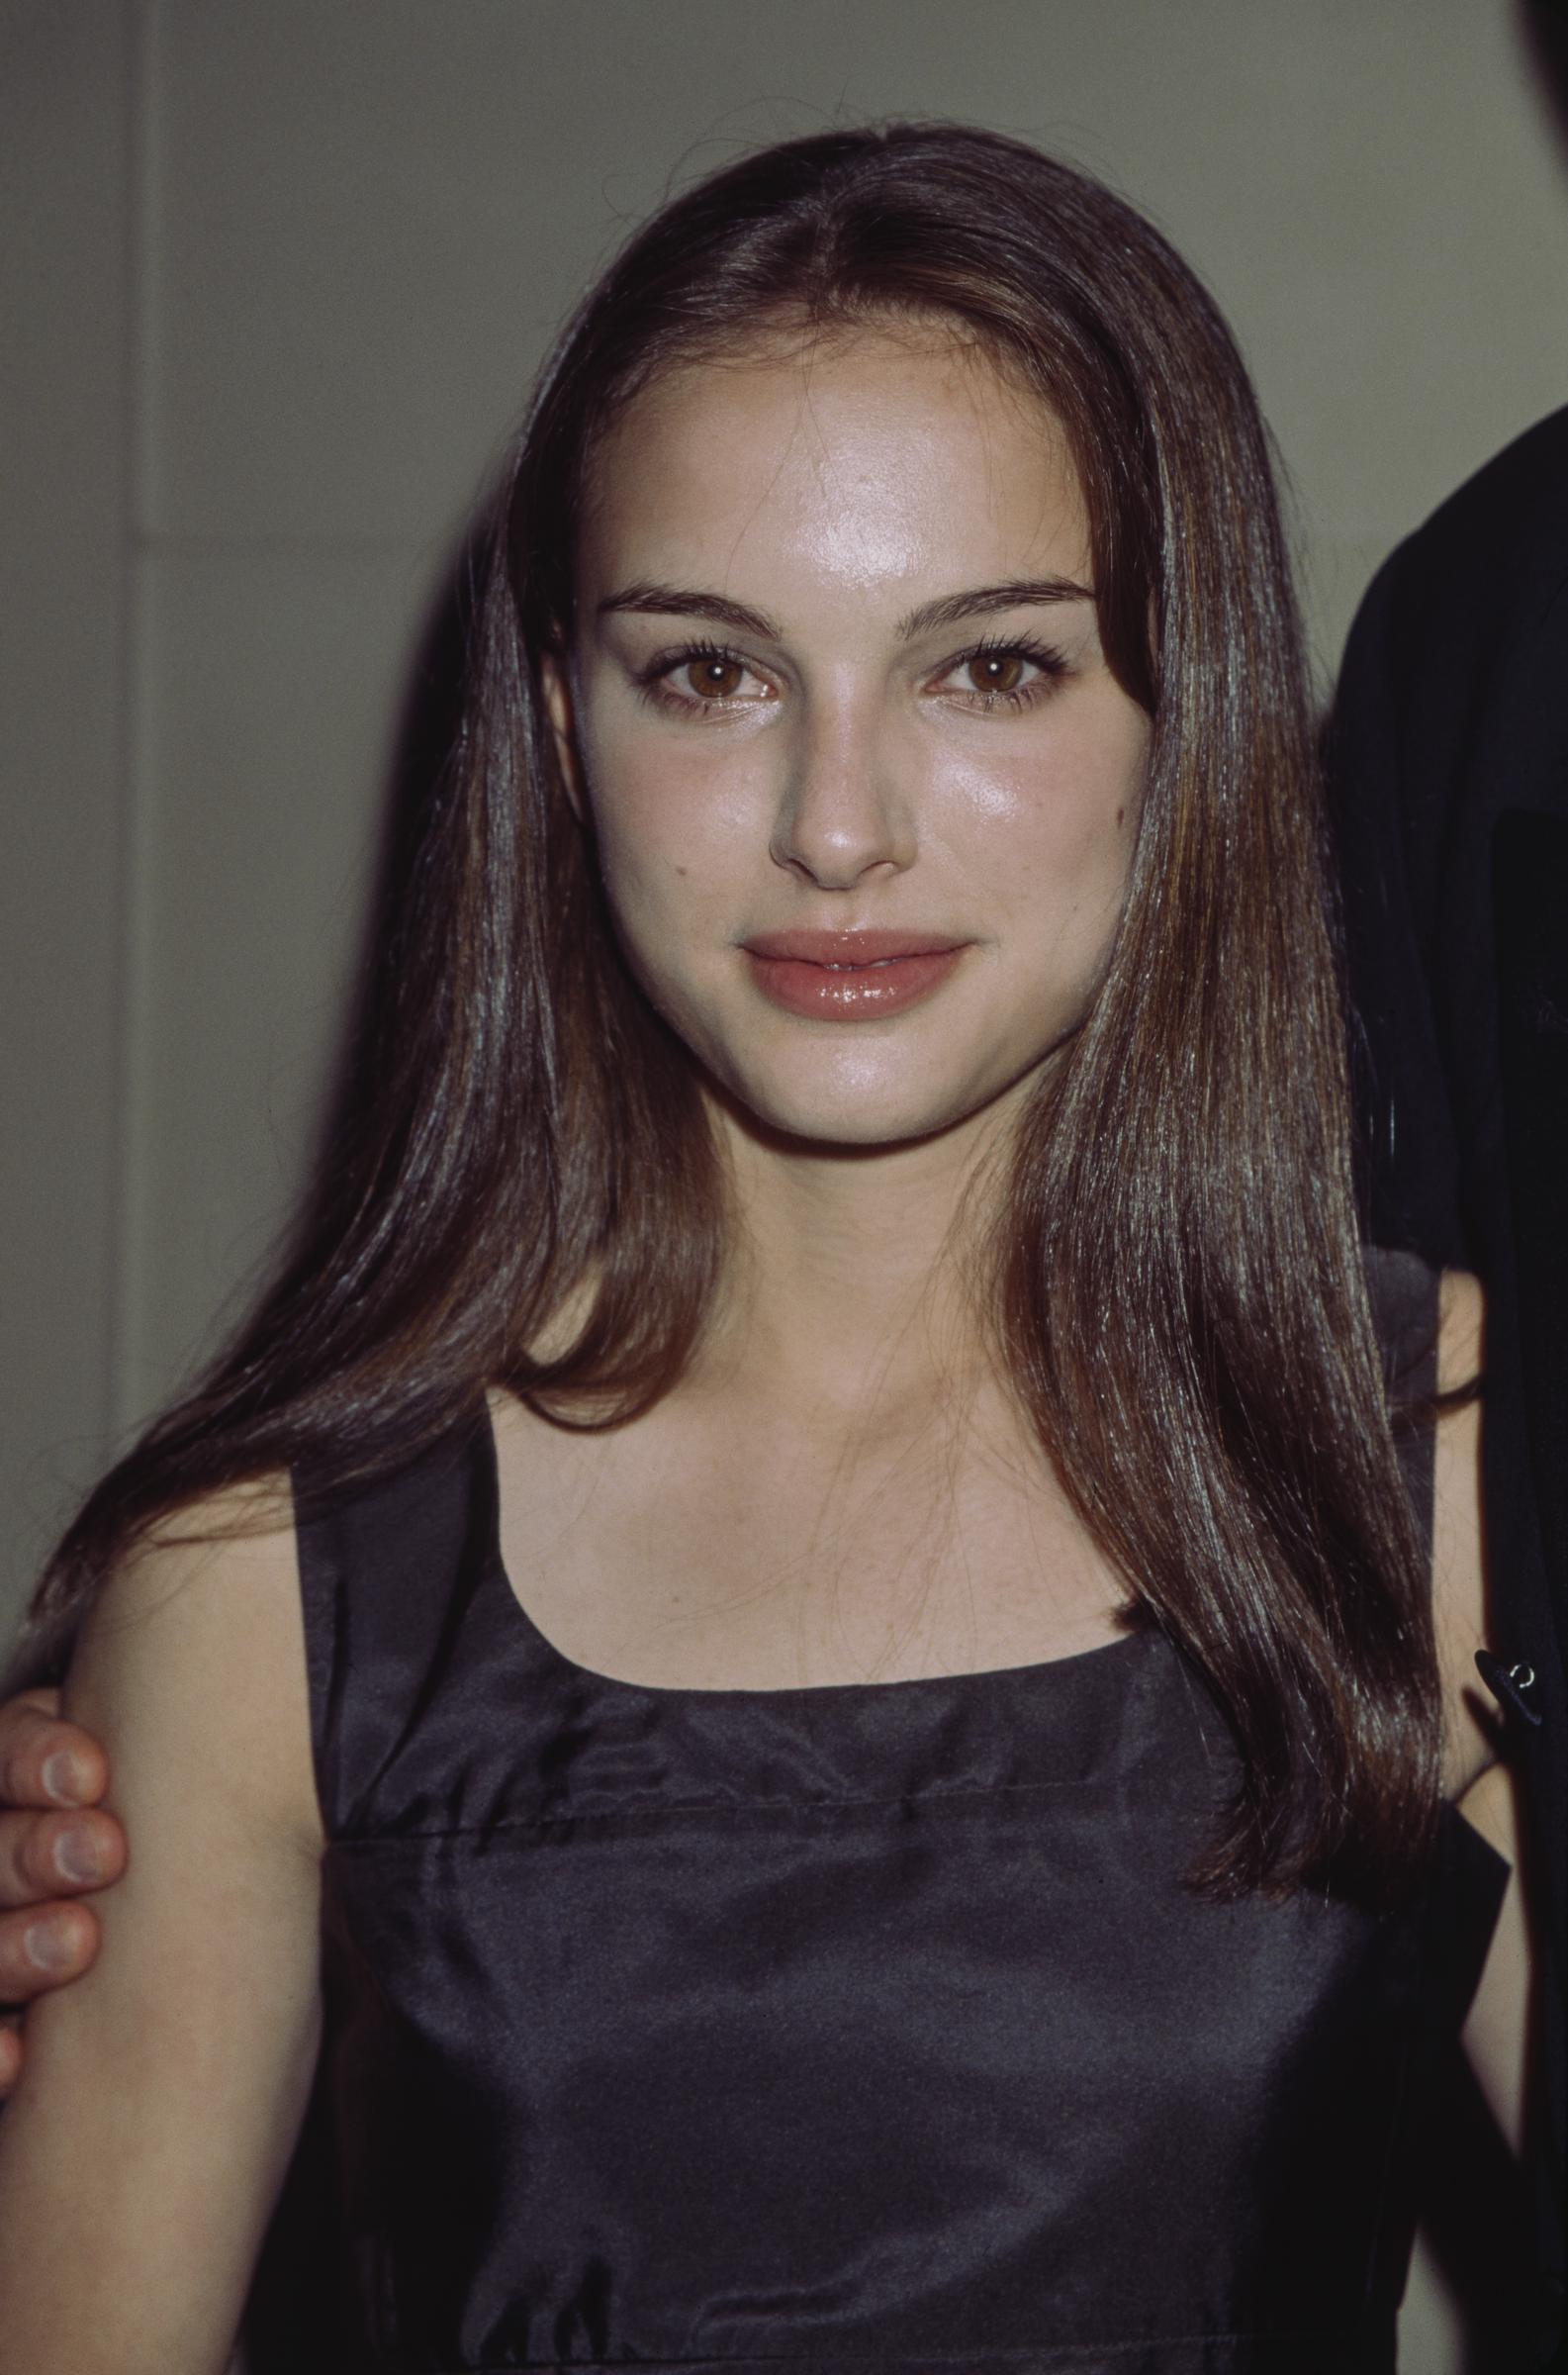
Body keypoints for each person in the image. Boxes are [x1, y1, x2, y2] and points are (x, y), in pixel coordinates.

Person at [0, 124, 1526, 2372]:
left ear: (1180, 718)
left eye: (987, 670)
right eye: (709, 672)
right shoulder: (259, 1583)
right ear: (558, 727)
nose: (836, 823)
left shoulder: (1446, 1473)